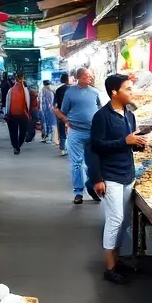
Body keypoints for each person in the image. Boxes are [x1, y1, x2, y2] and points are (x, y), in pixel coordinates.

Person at [88, 73, 147, 284]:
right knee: (114, 220)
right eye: (128, 89)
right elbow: (95, 147)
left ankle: (118, 258)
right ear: (114, 92)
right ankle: (110, 267)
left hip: (128, 173)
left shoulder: (129, 115)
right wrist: (97, 178)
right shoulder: (101, 116)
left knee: (124, 221)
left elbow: (128, 144)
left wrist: (138, 143)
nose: (132, 92)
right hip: (110, 175)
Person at [58, 67, 103, 204]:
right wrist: (66, 121)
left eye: (90, 76)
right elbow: (63, 111)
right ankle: (78, 192)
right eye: (86, 75)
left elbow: (101, 111)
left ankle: (92, 187)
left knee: (93, 163)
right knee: (77, 163)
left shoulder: (95, 92)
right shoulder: (70, 92)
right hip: (76, 132)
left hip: (93, 132)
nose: (89, 78)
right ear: (79, 77)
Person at [4, 74, 34, 154]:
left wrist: (7, 113)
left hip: (13, 114)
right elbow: (28, 103)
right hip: (22, 115)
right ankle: (18, 146)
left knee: (13, 132)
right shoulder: (25, 90)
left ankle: (16, 146)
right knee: (22, 132)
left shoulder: (11, 90)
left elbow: (8, 102)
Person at [53, 73, 71, 156]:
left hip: (60, 113)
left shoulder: (58, 90)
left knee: (61, 131)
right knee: (72, 130)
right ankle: (70, 147)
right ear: (67, 80)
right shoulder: (71, 89)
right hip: (71, 113)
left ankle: (63, 148)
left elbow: (55, 104)